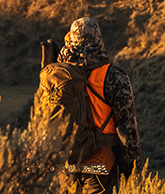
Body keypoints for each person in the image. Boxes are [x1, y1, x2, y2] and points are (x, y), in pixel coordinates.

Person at [58, 17, 141, 194]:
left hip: (63, 162)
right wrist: (133, 165)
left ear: (71, 38)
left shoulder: (57, 74)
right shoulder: (114, 75)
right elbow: (127, 125)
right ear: (98, 40)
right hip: (100, 162)